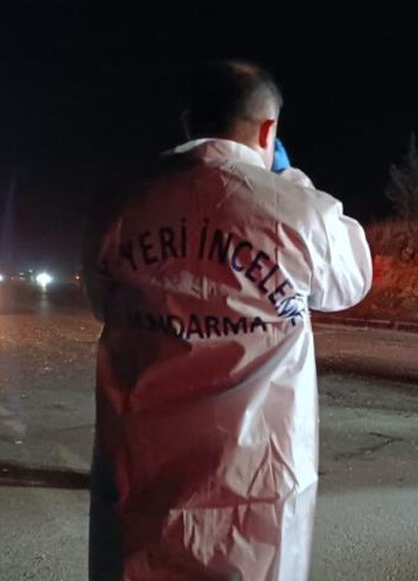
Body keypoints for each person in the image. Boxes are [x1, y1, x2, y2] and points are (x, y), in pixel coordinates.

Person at [83, 60, 372, 580]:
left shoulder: (118, 206)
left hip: (140, 483)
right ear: (268, 129)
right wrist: (291, 181)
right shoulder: (298, 211)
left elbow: (104, 304)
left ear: (187, 123)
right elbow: (350, 284)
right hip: (257, 489)